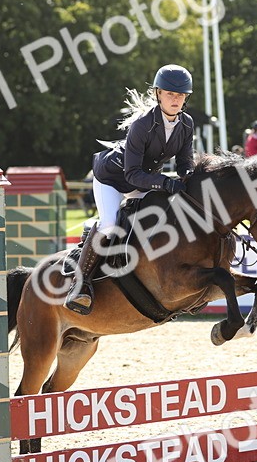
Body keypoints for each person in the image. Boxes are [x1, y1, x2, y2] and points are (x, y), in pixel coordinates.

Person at [65, 64, 196, 315]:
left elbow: (184, 161)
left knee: (168, 211)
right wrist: (166, 183)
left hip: (144, 179)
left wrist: (188, 176)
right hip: (113, 179)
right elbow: (132, 174)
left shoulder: (186, 124)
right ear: (158, 94)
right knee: (109, 224)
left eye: (180, 95)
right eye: (170, 94)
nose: (175, 99)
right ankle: (79, 286)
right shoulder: (143, 124)